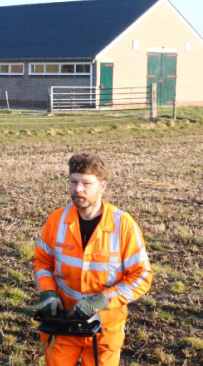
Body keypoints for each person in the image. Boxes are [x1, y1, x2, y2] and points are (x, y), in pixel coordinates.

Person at [34, 153, 152, 366]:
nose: (78, 189)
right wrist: (49, 293)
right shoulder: (56, 220)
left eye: (86, 183)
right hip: (63, 322)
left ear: (103, 186)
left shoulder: (123, 225)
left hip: (104, 329)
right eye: (73, 182)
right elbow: (43, 263)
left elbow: (141, 277)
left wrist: (101, 300)